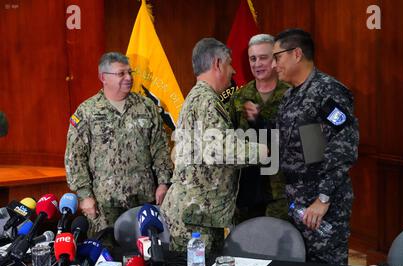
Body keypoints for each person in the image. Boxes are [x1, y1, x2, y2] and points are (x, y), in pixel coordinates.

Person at [161, 38, 266, 254]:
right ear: (218, 64)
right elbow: (221, 149)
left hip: (199, 212)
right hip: (196, 217)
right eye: (229, 63)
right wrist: (265, 150)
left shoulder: (199, 98)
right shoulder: (206, 101)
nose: (234, 70)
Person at [273, 29, 359, 265]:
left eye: (277, 57)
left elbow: (343, 146)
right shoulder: (289, 96)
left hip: (322, 204)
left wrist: (323, 198)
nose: (274, 64)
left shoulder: (327, 91)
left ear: (297, 54)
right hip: (296, 201)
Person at [65, 52, 173, 239]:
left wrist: (163, 183)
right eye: (121, 74)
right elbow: (75, 157)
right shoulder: (87, 112)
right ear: (103, 77)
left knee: (146, 256)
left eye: (129, 72)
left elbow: (161, 148)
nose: (129, 78)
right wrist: (84, 195)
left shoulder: (146, 107)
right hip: (104, 205)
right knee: (107, 257)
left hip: (144, 200)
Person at [228, 34, 290, 223]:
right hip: (247, 192)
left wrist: (260, 121)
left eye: (263, 57)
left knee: (278, 248)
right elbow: (230, 139)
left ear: (275, 60)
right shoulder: (239, 97)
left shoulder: (290, 94)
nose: (257, 64)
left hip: (281, 191)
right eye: (252, 59)